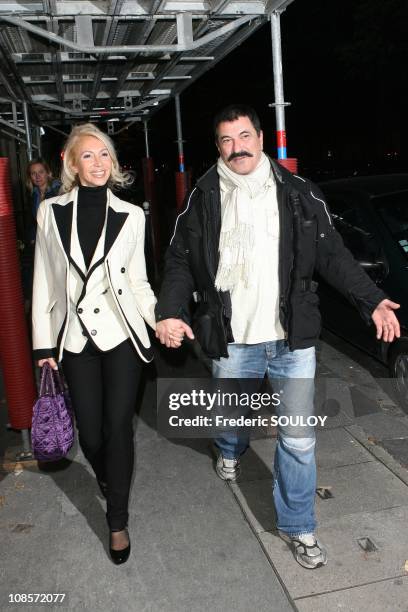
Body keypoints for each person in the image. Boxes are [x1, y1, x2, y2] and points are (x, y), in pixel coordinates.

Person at [154, 104, 400, 570]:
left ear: (261, 138)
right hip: (233, 338)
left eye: (244, 136)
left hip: (291, 342)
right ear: (218, 147)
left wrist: (371, 300)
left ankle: (299, 526)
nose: (237, 147)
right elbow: (181, 262)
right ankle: (228, 448)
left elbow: (333, 255)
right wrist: (169, 310)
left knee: (299, 438)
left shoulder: (298, 193)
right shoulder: (204, 197)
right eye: (226, 140)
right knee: (232, 416)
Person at [31, 123, 157, 565]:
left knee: (119, 427)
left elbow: (139, 282)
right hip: (76, 340)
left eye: (104, 154)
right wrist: (42, 346)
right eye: (88, 156)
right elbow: (45, 282)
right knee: (90, 430)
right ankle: (107, 475)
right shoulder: (50, 212)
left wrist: (160, 321)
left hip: (122, 335)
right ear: (71, 163)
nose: (99, 163)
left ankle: (117, 521)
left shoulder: (132, 215)